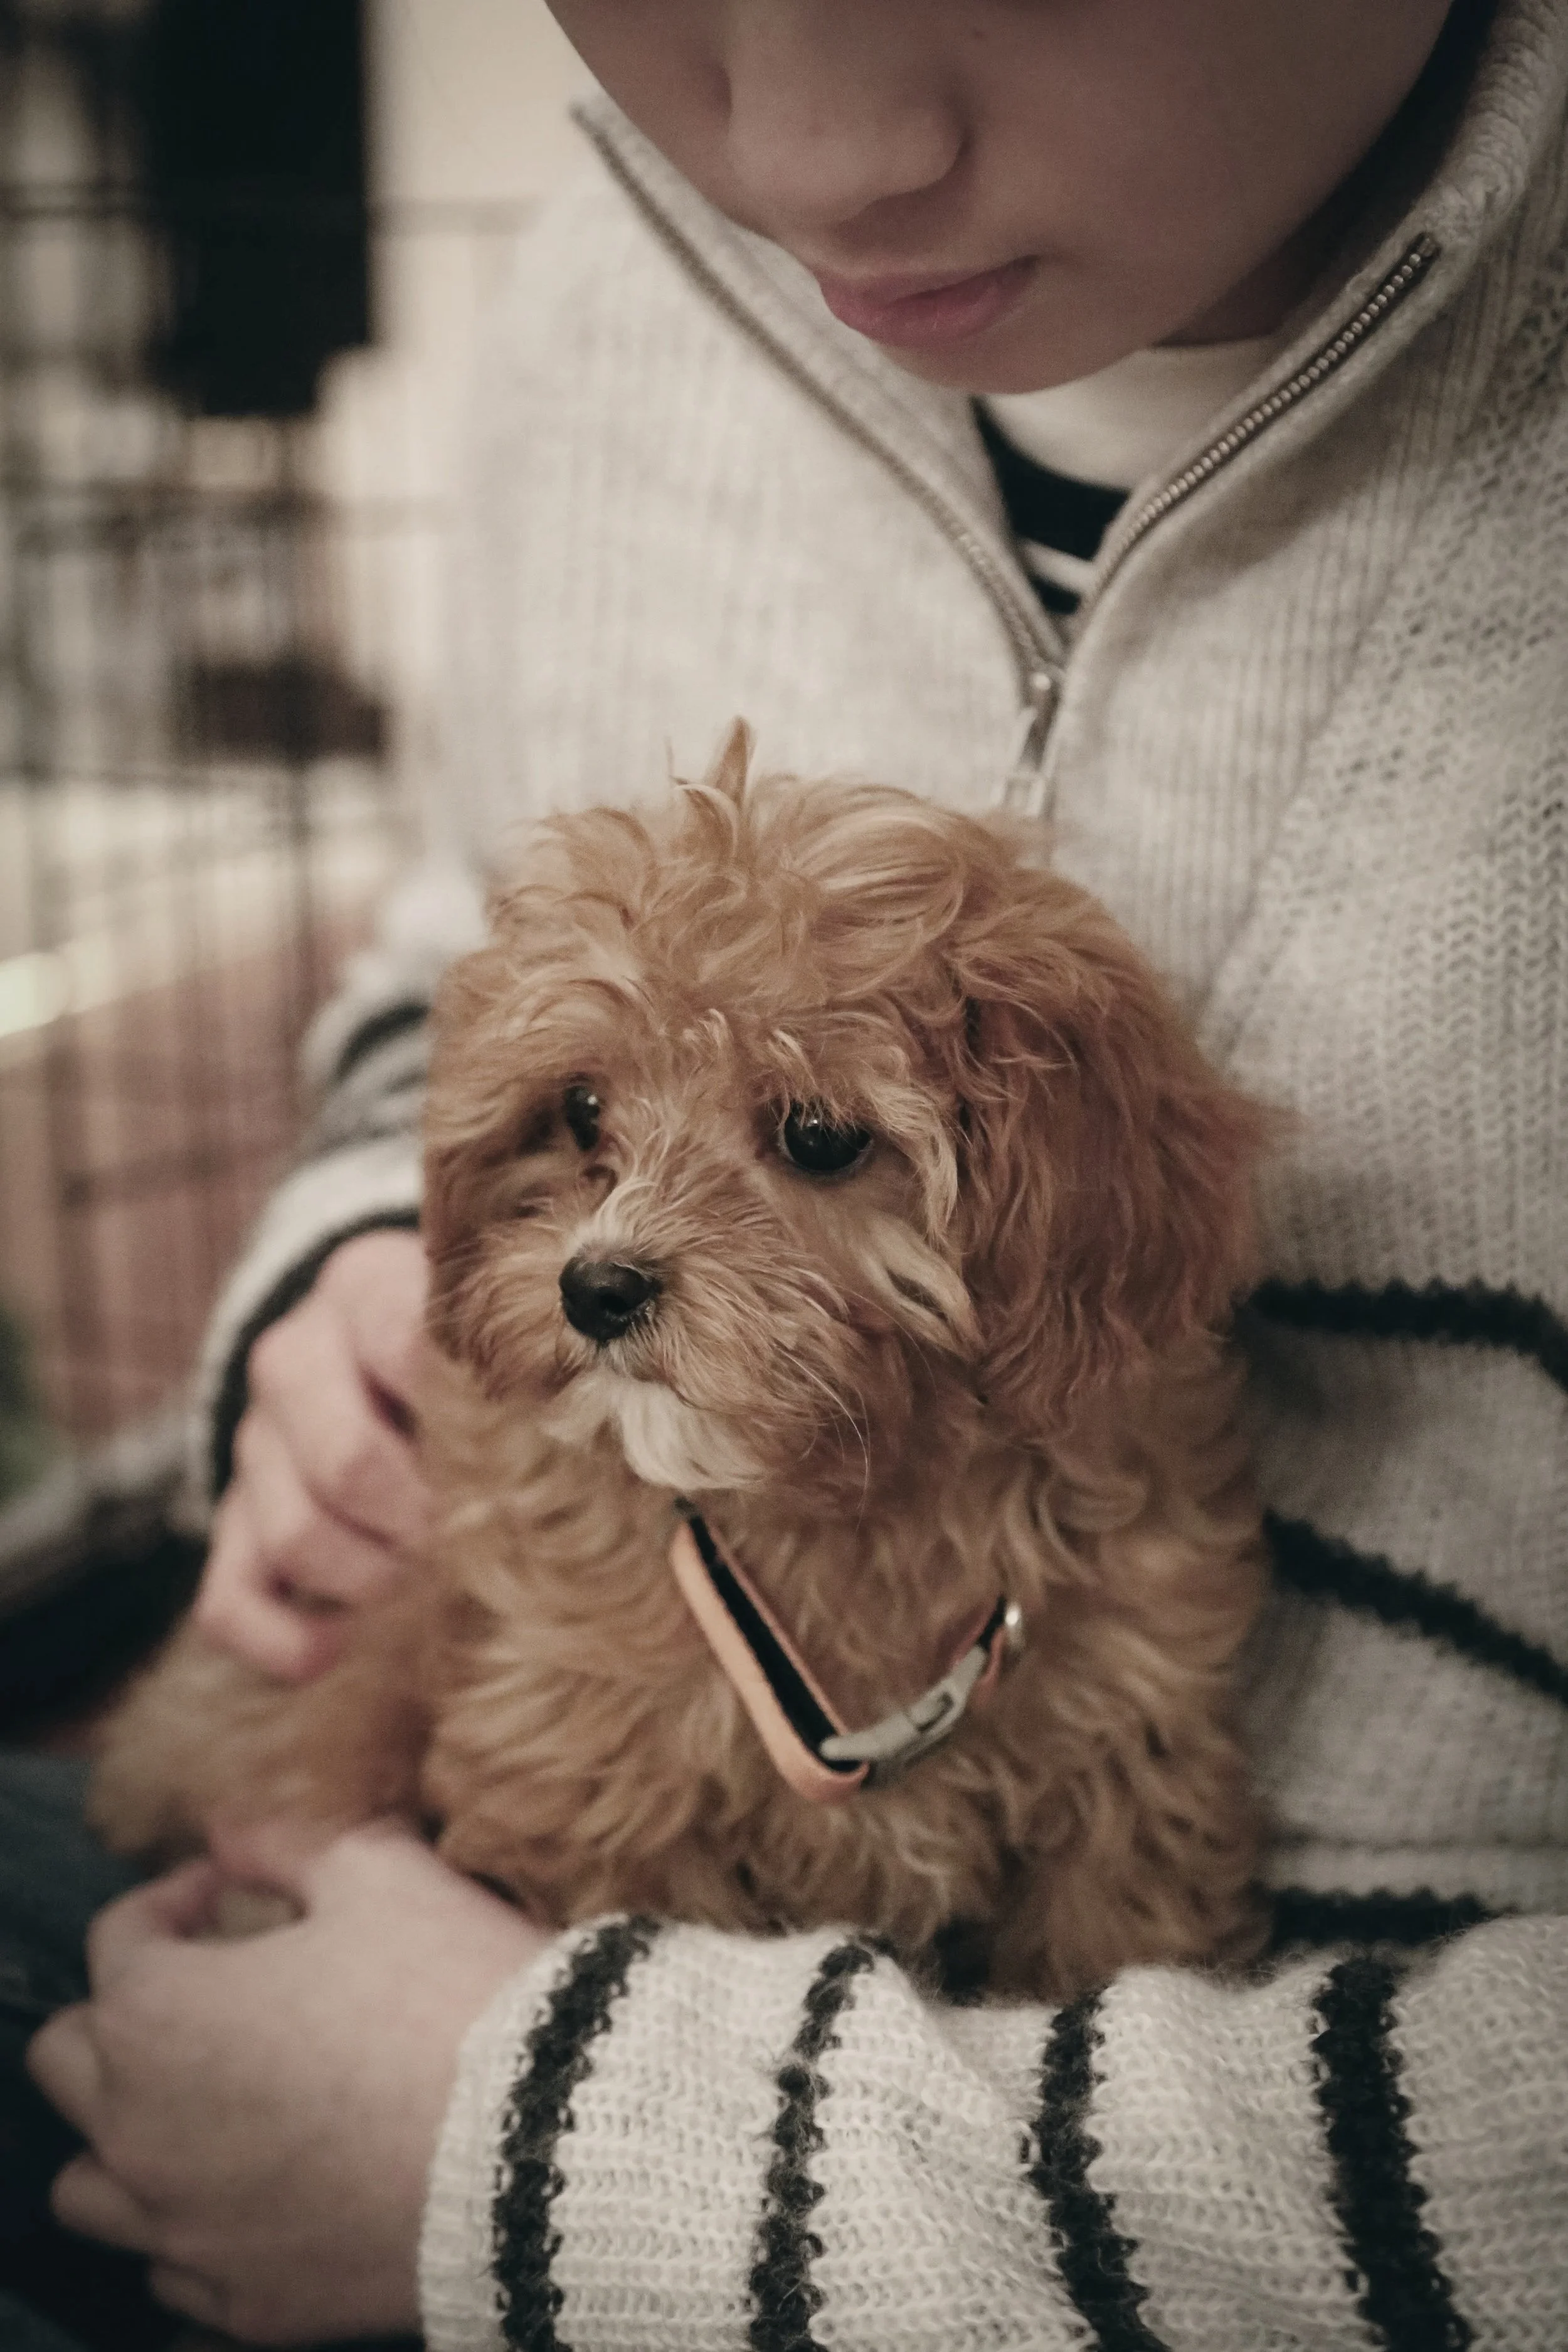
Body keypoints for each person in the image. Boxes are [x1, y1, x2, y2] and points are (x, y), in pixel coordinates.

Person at [13, 0, 1568, 2342]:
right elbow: (471, 966)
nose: (823, 154)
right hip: (397, 1951)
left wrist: (564, 2160)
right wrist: (367, 1238)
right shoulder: (611, 277)